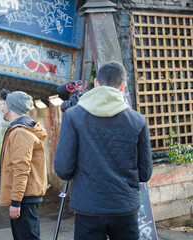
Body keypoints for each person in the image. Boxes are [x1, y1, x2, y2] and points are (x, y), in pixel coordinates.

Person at [54, 61, 153, 240]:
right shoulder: (137, 121)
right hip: (125, 207)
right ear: (122, 86)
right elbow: (145, 173)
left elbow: (63, 169)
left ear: (96, 83)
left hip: (88, 208)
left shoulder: (72, 116)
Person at [0, 89, 48, 240]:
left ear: (12, 107)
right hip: (24, 197)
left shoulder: (20, 133)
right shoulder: (20, 130)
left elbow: (21, 169)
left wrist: (16, 201)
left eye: (5, 105)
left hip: (24, 199)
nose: (2, 108)